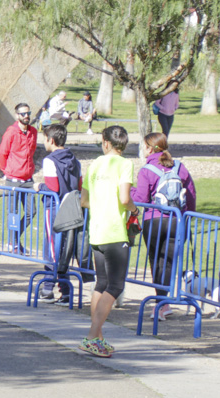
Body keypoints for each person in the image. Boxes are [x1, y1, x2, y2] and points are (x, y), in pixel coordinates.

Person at [79, 126, 135, 358]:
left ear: (105, 143)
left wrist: (101, 205)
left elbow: (84, 201)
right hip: (114, 231)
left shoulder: (93, 165)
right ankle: (92, 336)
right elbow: (124, 198)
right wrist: (134, 209)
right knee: (116, 286)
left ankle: (98, 337)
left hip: (97, 230)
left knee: (101, 284)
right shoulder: (125, 164)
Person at [132, 132, 196, 319]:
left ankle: (160, 303)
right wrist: (187, 217)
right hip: (177, 220)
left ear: (150, 148)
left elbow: (140, 199)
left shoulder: (147, 170)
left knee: (156, 261)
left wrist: (131, 189)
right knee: (168, 262)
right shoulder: (180, 168)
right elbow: (191, 196)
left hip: (154, 221)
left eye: (144, 146)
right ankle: (163, 302)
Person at [33, 124, 83, 305]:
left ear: (50, 140)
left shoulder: (49, 160)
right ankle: (65, 290)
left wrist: (39, 186)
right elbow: (80, 184)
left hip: (54, 208)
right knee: (64, 249)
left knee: (52, 248)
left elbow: (53, 187)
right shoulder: (75, 160)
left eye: (44, 138)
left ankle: (48, 288)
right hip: (71, 207)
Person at [0, 102, 39, 253]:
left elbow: (32, 151)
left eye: (28, 113)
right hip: (13, 179)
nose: (26, 116)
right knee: (13, 214)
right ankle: (13, 244)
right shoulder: (11, 132)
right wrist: (7, 171)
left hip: (28, 179)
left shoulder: (33, 132)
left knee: (31, 212)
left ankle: (14, 239)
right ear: (17, 116)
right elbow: (2, 154)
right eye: (23, 114)